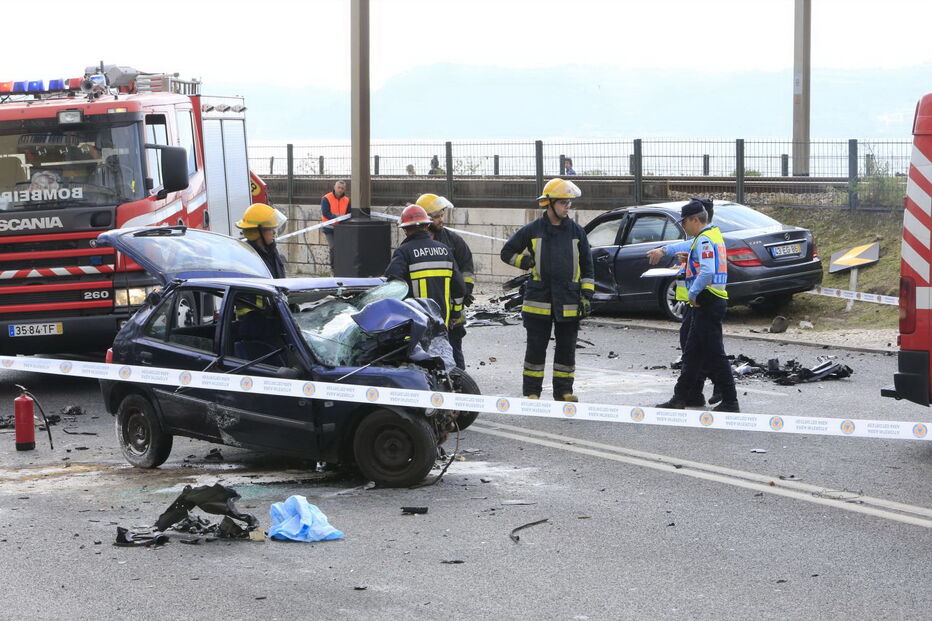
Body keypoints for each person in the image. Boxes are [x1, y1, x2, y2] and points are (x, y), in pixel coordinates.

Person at [500, 178, 594, 402]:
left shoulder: (577, 232)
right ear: (549, 203)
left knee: (566, 350)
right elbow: (507, 252)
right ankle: (532, 392)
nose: (567, 207)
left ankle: (564, 392)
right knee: (535, 349)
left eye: (569, 203)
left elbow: (588, 266)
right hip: (538, 301)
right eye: (563, 203)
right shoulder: (532, 230)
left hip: (569, 300)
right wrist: (526, 262)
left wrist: (587, 294)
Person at [647, 198, 739, 412]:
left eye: (684, 222)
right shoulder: (708, 236)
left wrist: (693, 294)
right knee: (691, 353)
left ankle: (730, 400)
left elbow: (707, 271)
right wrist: (664, 250)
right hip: (709, 300)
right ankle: (682, 397)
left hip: (707, 300)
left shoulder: (705, 240)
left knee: (714, 353)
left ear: (695, 220)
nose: (683, 226)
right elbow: (688, 246)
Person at [385, 204, 466, 335]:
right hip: (442, 323)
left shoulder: (403, 252)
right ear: (426, 225)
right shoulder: (444, 250)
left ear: (405, 229)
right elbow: (459, 287)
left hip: (416, 325)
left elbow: (392, 286)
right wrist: (455, 312)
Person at [416, 193, 475, 369]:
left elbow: (466, 266)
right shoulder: (413, 244)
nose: (441, 220)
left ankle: (459, 381)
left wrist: (466, 291)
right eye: (437, 216)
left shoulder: (452, 240)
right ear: (425, 219)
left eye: (442, 215)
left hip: (453, 306)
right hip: (426, 307)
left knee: (454, 344)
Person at [235, 202, 287, 278]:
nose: (274, 232)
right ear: (256, 232)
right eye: (270, 228)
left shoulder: (271, 250)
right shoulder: (248, 258)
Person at [321, 180, 350, 269]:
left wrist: (343, 219)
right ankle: (334, 269)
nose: (340, 190)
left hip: (341, 228)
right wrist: (338, 217)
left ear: (344, 189)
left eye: (342, 188)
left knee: (342, 248)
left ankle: (342, 267)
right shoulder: (326, 198)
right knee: (333, 248)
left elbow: (349, 213)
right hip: (329, 228)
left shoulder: (347, 200)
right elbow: (326, 213)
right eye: (338, 187)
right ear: (334, 187)